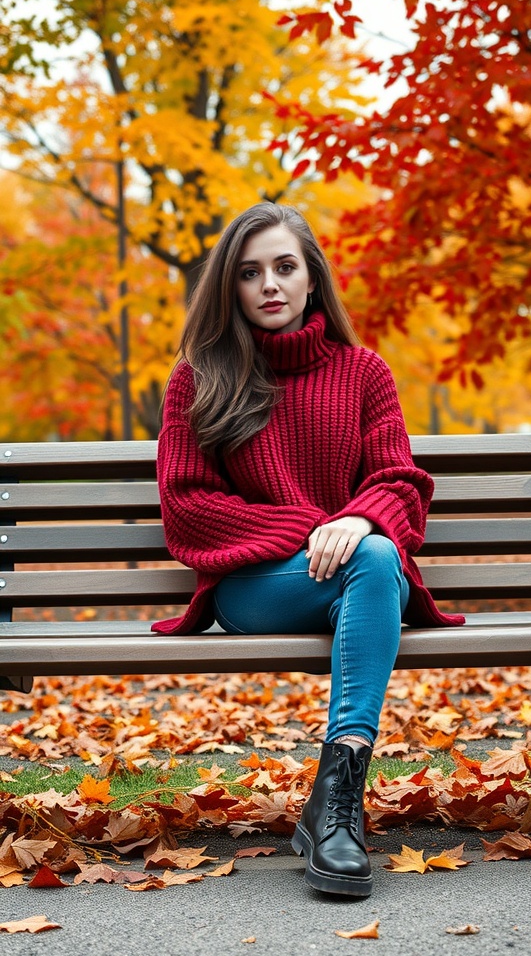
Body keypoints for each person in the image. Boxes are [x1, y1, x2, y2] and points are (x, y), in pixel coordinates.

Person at [152, 201, 464, 898]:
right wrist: (317, 528)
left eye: (285, 267)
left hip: (353, 583)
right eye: (251, 271)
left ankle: (336, 804)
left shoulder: (364, 373)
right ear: (230, 287)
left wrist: (358, 521)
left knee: (377, 555)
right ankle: (336, 813)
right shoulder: (199, 378)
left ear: (311, 279)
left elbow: (399, 481)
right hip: (253, 589)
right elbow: (189, 508)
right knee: (371, 557)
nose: (270, 284)